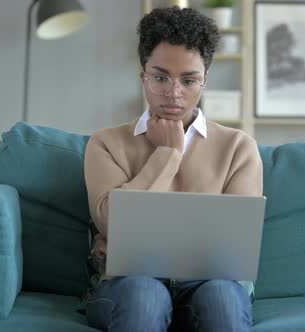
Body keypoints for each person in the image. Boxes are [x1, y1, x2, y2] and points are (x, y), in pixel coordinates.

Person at [84, 6, 263, 332]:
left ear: (204, 80)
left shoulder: (239, 147)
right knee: (145, 296)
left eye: (189, 80)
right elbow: (110, 220)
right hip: (128, 282)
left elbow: (237, 248)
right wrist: (167, 153)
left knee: (222, 297)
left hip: (210, 283)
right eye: (160, 77)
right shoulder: (105, 143)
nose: (173, 92)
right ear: (143, 76)